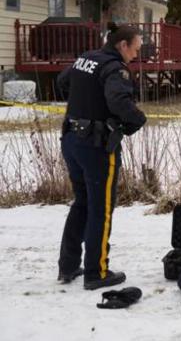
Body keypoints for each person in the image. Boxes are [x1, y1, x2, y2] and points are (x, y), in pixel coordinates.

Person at [56, 23, 147, 290]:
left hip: (71, 140)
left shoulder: (86, 58)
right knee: (101, 209)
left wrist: (86, 102)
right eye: (135, 49)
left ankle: (68, 266)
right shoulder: (115, 69)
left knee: (82, 203)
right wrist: (137, 120)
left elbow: (63, 83)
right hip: (96, 147)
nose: (136, 55)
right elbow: (119, 101)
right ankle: (97, 272)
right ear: (122, 45)